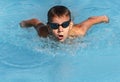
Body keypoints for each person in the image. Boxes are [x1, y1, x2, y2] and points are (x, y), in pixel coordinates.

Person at [20, 5, 109, 42]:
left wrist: (105, 19)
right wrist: (23, 24)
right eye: (55, 26)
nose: (60, 30)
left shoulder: (79, 31)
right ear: (49, 27)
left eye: (65, 25)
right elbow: (35, 22)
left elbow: (91, 20)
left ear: (70, 26)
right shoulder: (43, 32)